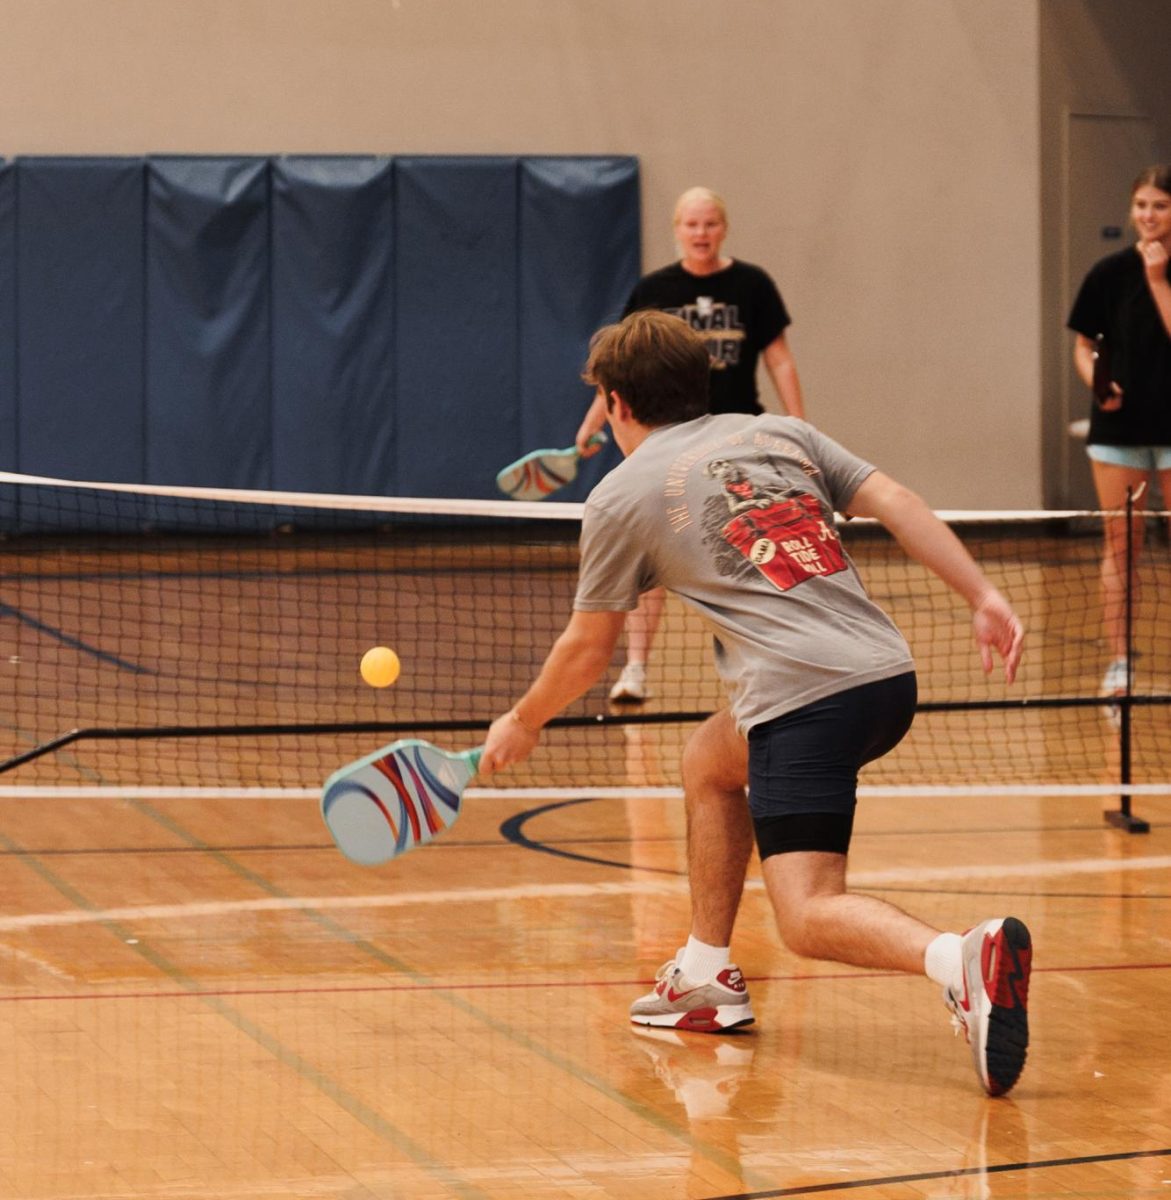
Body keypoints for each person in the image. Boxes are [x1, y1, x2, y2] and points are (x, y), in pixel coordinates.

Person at [481, 310, 1032, 1097]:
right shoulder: (779, 434)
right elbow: (898, 499)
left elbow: (586, 650)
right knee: (709, 759)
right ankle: (705, 974)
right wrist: (980, 594)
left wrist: (522, 719)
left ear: (613, 404)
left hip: (803, 702)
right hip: (885, 676)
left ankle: (958, 960)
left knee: (806, 915)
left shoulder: (619, 497)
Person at [575, 187, 807, 703]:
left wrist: (797, 425)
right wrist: (596, 420)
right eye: (692, 225)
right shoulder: (655, 288)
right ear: (677, 229)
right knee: (650, 552)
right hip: (666, 442)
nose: (701, 234)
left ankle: (772, 663)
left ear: (723, 228)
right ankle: (634, 669)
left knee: (756, 549)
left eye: (710, 224)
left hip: (739, 440)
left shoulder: (752, 285)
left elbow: (780, 359)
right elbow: (618, 365)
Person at [1068, 164, 1171, 707]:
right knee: (1120, 549)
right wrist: (1096, 382)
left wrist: (1157, 281)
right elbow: (1083, 348)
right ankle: (1120, 663)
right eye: (1141, 205)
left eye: (1160, 205)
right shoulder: (1107, 273)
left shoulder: (1159, 272)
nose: (1148, 215)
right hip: (1119, 431)